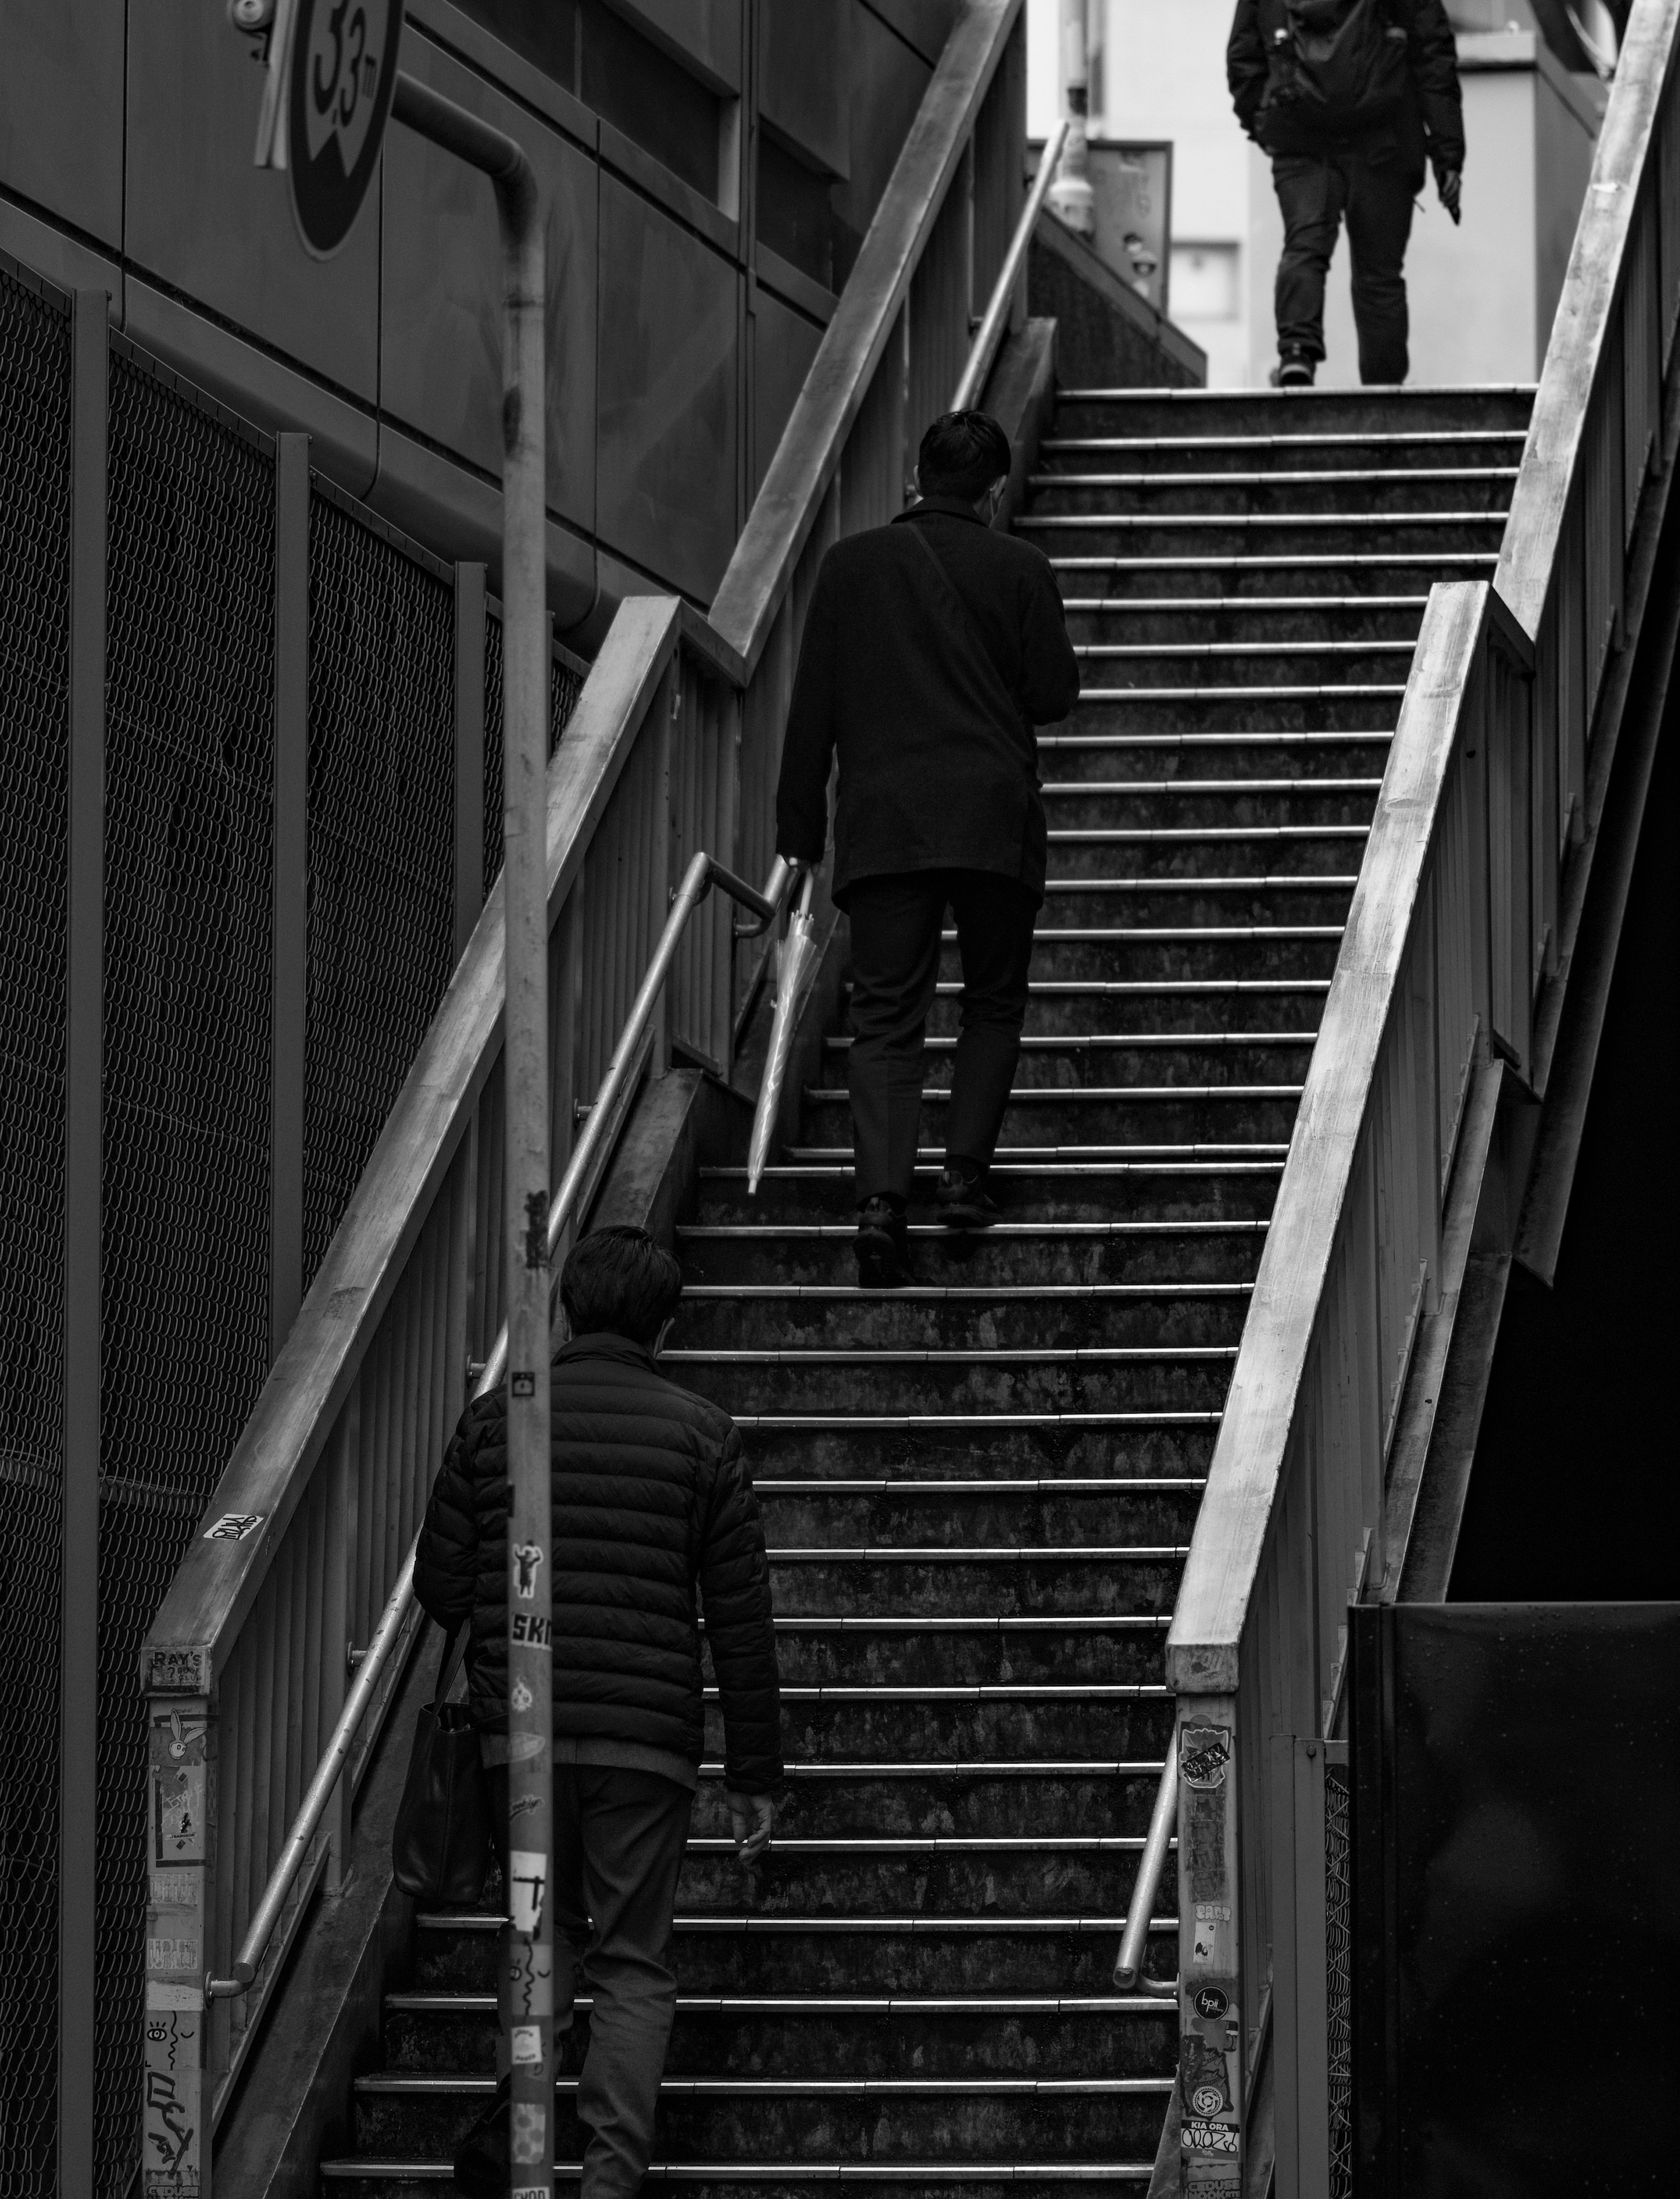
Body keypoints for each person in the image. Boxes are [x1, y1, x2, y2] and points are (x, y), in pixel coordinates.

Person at [413, 1224, 781, 2198]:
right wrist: (755, 1778)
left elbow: (442, 1585)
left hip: (519, 1733)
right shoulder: (704, 1434)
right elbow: (741, 1621)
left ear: (569, 1307)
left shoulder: (498, 1423)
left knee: (539, 1937)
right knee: (631, 1963)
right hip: (644, 1748)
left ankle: (525, 2163)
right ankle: (610, 2182)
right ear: (666, 1324)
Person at [774, 407, 1080, 1286]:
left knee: (886, 1015)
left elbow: (813, 712)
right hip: (992, 818)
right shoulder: (1021, 568)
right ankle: (963, 1176)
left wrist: (799, 836)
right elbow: (1054, 693)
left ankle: (880, 1201)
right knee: (991, 1001)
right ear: (991, 492)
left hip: (886, 825)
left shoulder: (850, 568)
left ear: (917, 476)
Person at [1227, 0, 1464, 388]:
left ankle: (1297, 355)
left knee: (1305, 246)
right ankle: (1383, 392)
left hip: (1301, 142)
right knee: (1379, 277)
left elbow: (1242, 61)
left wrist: (1264, 125)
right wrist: (1448, 154)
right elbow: (1435, 65)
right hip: (1386, 143)